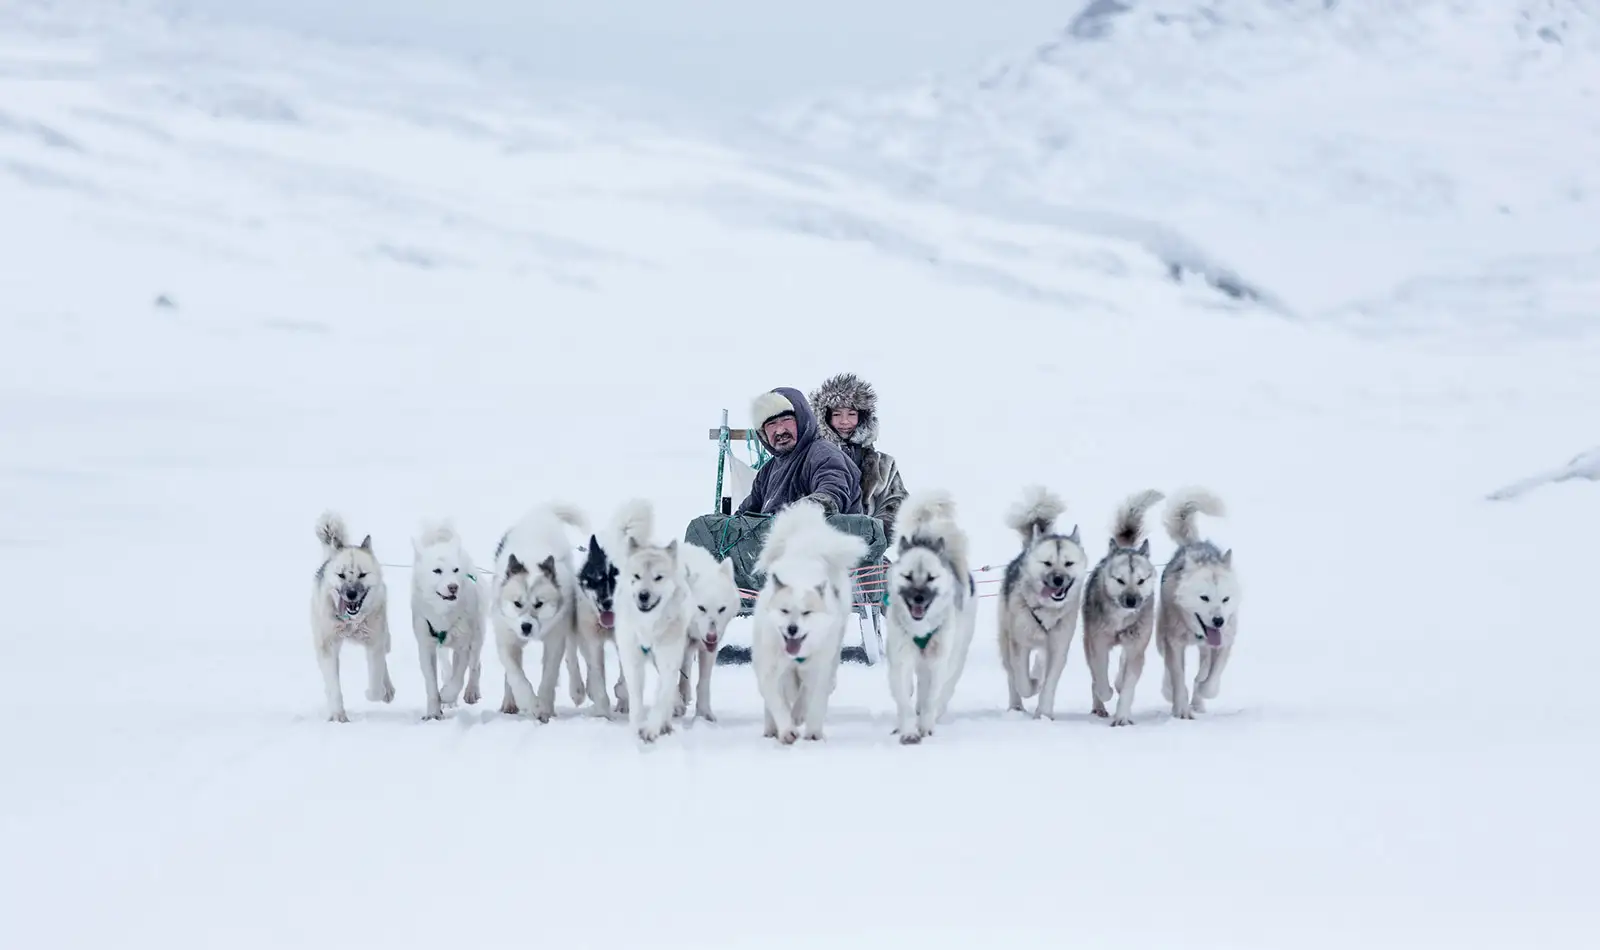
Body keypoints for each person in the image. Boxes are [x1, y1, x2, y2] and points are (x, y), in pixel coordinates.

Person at [809, 372, 909, 541]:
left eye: (851, 414)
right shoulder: (809, 458)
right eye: (837, 414)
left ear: (863, 417)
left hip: (867, 549)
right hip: (815, 547)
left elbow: (897, 504)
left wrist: (872, 535)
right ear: (825, 417)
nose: (844, 421)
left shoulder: (883, 465)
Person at [735, 387, 863, 518]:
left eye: (786, 420)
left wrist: (800, 512)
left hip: (827, 537)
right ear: (763, 433)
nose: (780, 431)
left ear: (802, 419)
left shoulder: (823, 454)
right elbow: (745, 513)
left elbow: (832, 491)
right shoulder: (767, 472)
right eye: (771, 424)